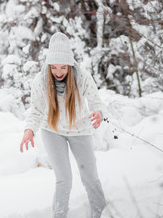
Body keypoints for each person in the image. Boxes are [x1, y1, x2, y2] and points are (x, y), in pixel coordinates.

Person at [20, 32, 106, 218]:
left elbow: (96, 102)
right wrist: (29, 130)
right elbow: (36, 110)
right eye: (54, 68)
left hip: (80, 130)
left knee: (90, 177)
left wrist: (98, 113)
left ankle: (101, 214)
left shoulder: (82, 77)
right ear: (48, 65)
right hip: (52, 131)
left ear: (70, 65)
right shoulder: (40, 81)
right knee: (64, 179)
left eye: (63, 68)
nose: (58, 72)